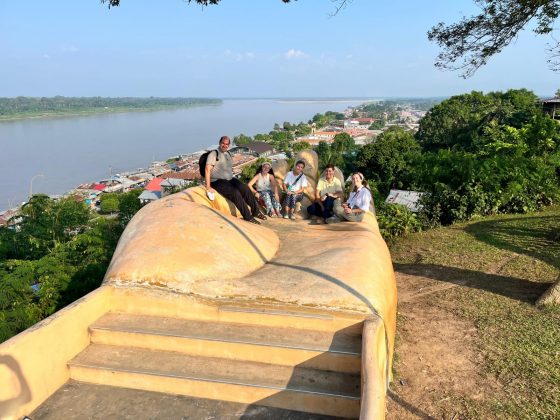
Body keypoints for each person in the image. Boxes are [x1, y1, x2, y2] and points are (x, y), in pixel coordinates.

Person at [205, 136, 265, 224]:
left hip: (229, 179)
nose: (224, 145)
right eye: (223, 143)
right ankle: (248, 217)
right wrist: (208, 187)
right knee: (235, 193)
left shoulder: (228, 154)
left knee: (245, 189)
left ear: (228, 145)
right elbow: (207, 169)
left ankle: (256, 212)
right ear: (219, 143)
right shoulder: (214, 154)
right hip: (217, 181)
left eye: (226, 144)